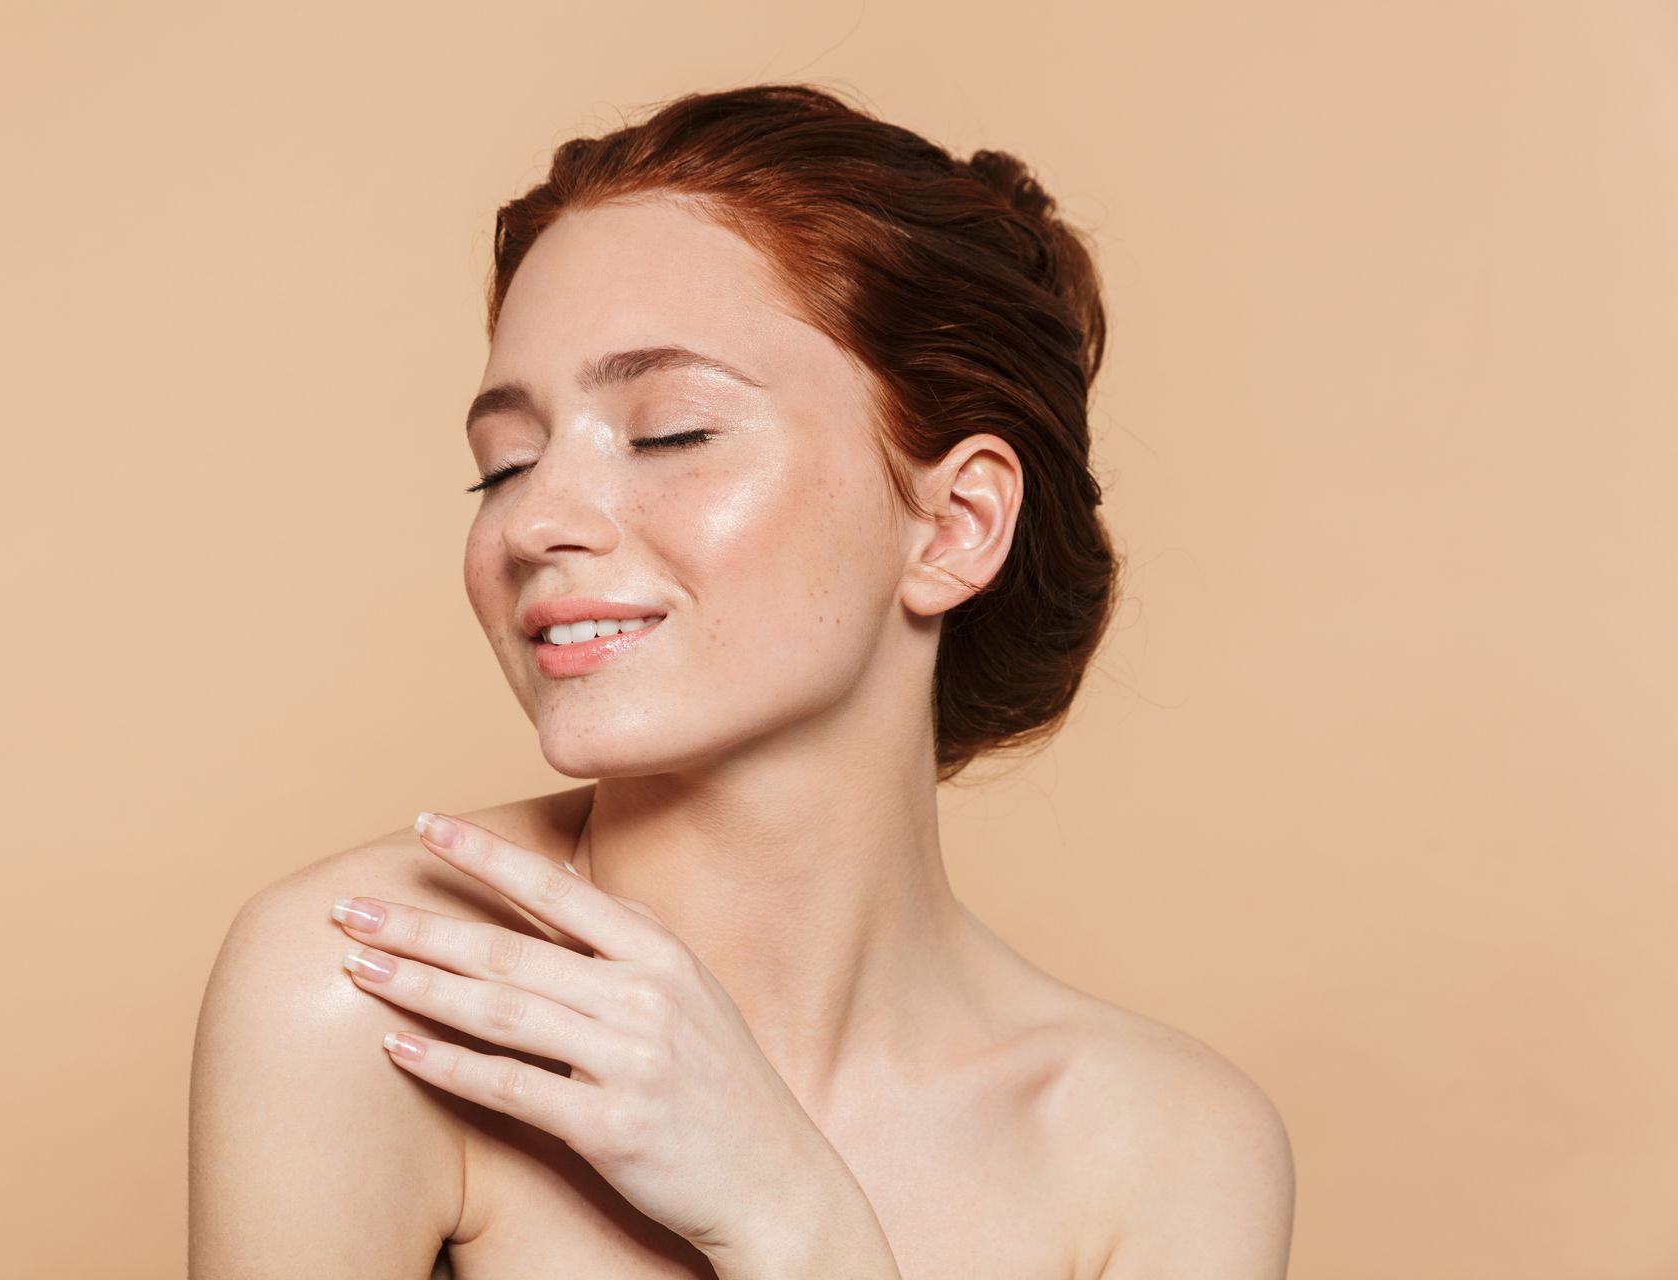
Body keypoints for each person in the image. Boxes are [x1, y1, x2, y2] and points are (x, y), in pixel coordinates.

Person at [188, 82, 1295, 1279]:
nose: (536, 519)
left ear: (954, 523)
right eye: (503, 464)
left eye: (670, 431)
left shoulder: (1170, 1148)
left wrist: (792, 1219)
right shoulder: (374, 987)